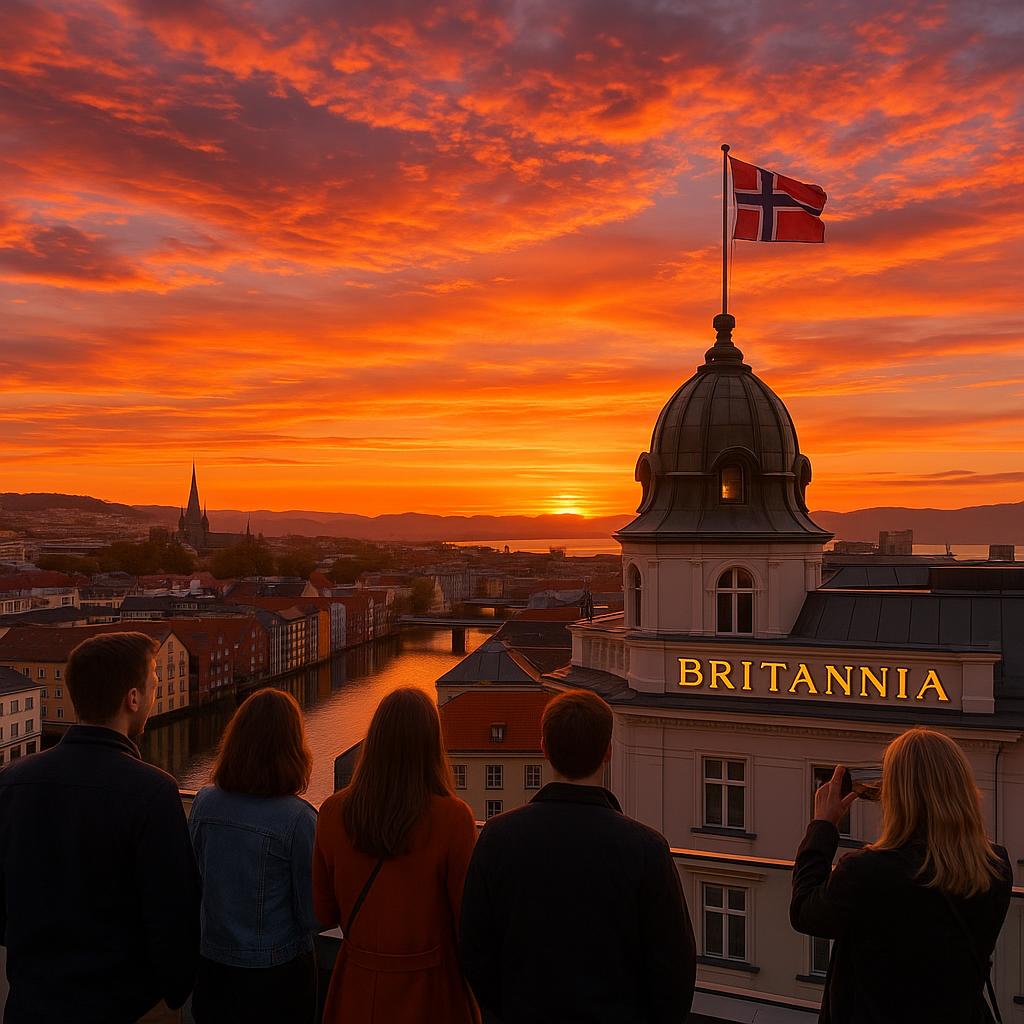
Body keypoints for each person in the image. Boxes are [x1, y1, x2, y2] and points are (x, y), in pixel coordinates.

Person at [460, 689, 697, 1024]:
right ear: (608, 753)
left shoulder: (498, 837)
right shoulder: (646, 848)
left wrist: (510, 1006)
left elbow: (474, 948)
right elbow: (675, 967)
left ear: (544, 749)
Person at [0, 631, 200, 1023]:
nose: (155, 694)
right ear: (133, 698)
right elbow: (174, 918)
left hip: (31, 1005)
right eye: (154, 684)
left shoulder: (11, 782)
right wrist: (172, 994)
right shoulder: (153, 792)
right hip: (122, 1007)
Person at [791, 727, 1012, 1024]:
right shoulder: (995, 866)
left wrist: (822, 827)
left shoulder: (867, 870)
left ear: (895, 794)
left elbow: (805, 912)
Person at [313, 687, 479, 1024]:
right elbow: (467, 922)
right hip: (430, 991)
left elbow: (323, 912)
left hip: (356, 987)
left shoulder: (333, 812)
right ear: (432, 746)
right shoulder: (453, 818)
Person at [189, 688, 320, 1023]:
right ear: (293, 749)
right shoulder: (298, 819)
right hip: (276, 978)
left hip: (214, 969)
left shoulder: (205, 803)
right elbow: (312, 915)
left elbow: (194, 882)